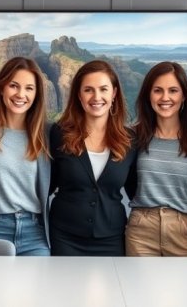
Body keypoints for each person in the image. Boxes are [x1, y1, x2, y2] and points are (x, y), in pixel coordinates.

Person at [49, 60, 137, 256]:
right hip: (65, 235)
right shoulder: (60, 133)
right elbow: (47, 183)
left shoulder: (130, 140)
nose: (96, 97)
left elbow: (135, 191)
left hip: (112, 236)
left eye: (103, 89)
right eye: (88, 90)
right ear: (79, 95)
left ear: (114, 93)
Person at [0, 57, 51, 256]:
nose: (20, 94)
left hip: (35, 231)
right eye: (13, 86)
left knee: (39, 287)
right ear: (1, 88)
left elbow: (55, 180)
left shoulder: (48, 134)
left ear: (37, 94)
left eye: (29, 88)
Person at [125, 61, 187, 256]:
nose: (165, 98)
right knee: (139, 287)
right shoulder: (134, 135)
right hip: (141, 229)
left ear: (184, 95)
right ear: (148, 95)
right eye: (158, 90)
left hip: (183, 228)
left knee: (185, 287)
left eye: (173, 91)